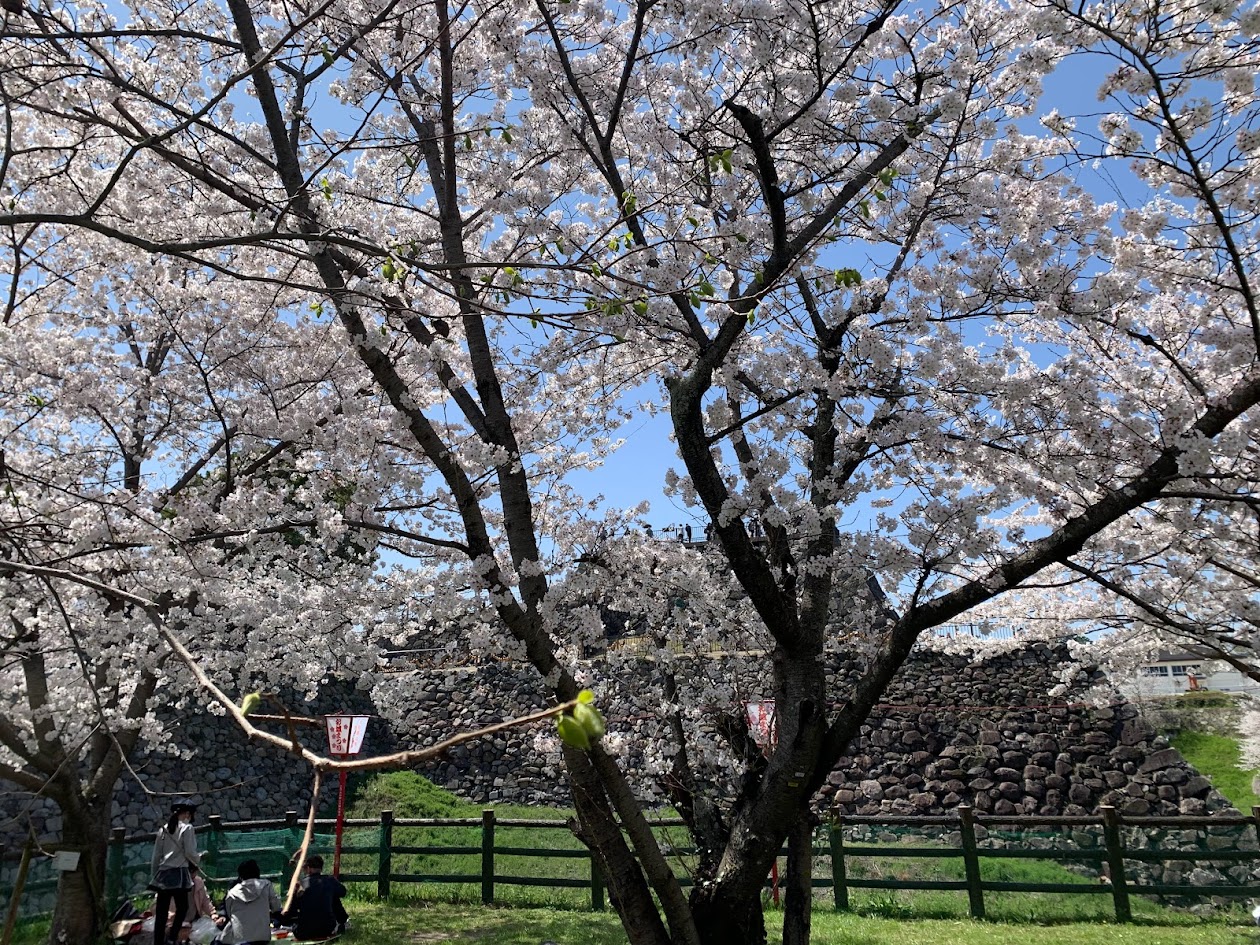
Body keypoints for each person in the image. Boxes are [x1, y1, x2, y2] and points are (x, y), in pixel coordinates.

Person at [149, 801, 200, 945]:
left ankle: (158, 941)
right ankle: (171, 937)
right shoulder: (187, 828)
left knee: (161, 912)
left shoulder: (163, 830)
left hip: (163, 874)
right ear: (188, 814)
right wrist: (198, 859)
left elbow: (156, 855)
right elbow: (190, 852)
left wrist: (154, 875)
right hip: (179, 874)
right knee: (182, 908)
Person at [217, 859, 280, 945]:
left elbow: (229, 914)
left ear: (240, 876)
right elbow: (276, 907)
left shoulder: (232, 893)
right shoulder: (266, 886)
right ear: (258, 873)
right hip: (263, 937)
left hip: (240, 939)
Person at [287, 855, 348, 940]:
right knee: (333, 895)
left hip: (303, 932)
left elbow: (291, 910)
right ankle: (342, 922)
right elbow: (343, 892)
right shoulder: (329, 880)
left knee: (330, 894)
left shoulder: (300, 885)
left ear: (308, 868)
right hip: (327, 929)